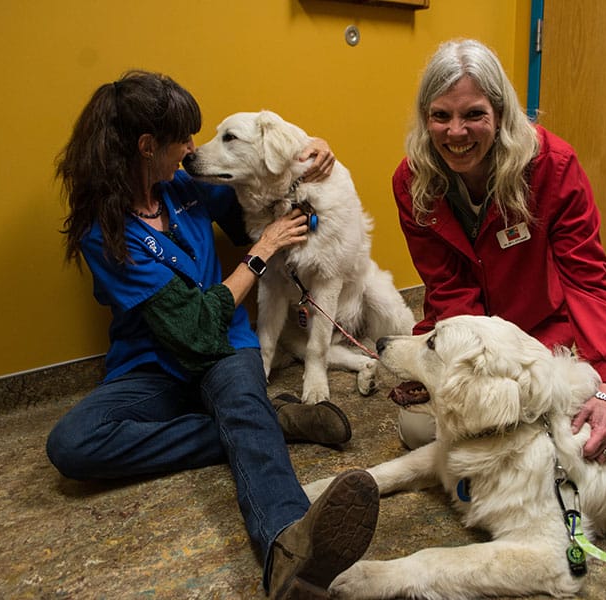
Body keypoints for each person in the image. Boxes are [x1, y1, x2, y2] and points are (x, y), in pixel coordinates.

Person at [46, 70, 378, 600]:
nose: (192, 149)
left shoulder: (189, 187)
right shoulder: (105, 234)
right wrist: (261, 249)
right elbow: (194, 326)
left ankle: (289, 550)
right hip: (152, 365)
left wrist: (312, 149)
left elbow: (272, 186)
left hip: (226, 350)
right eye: (182, 139)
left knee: (244, 415)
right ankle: (272, 420)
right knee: (72, 444)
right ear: (147, 146)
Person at [392, 39, 606, 463]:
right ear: (426, 120)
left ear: (500, 115)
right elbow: (445, 285)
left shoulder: (554, 166)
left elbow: (586, 279)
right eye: (440, 116)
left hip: (542, 337)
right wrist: (460, 369)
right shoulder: (412, 181)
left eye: (474, 114)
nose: (456, 133)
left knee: (563, 414)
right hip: (463, 334)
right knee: (418, 427)